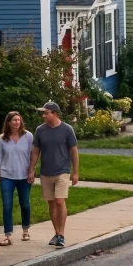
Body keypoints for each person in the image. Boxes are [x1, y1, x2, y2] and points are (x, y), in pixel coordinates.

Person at [32, 101, 79, 248]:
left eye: (46, 113)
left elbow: (74, 151)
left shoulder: (67, 130)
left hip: (62, 171)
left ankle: (62, 234)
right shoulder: (40, 130)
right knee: (51, 203)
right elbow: (35, 152)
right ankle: (57, 233)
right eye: (43, 113)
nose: (44, 115)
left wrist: (75, 172)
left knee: (60, 201)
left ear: (55, 114)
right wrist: (31, 170)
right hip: (46, 172)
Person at [0, 111, 34, 247]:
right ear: (8, 123)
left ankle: (25, 230)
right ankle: (7, 235)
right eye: (14, 120)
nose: (17, 122)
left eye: (18, 120)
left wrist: (31, 171)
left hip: (24, 176)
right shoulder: (2, 139)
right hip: (7, 176)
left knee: (25, 203)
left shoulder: (28, 136)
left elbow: (33, 155)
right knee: (7, 205)